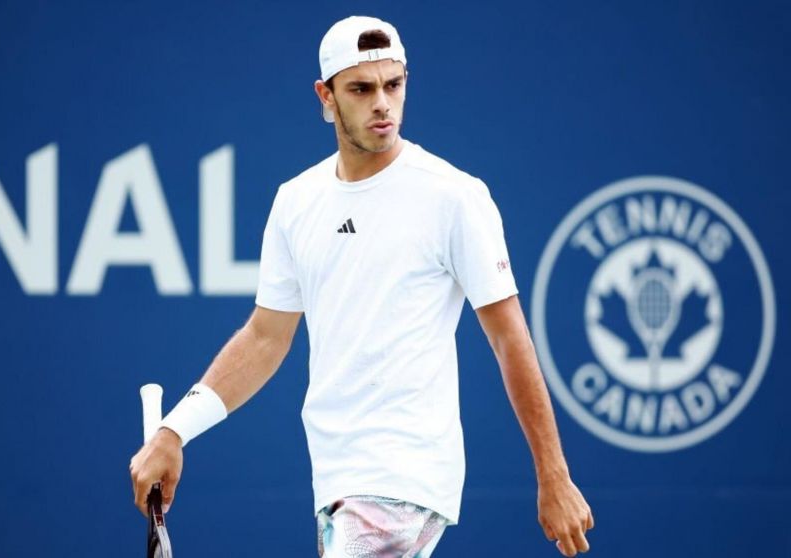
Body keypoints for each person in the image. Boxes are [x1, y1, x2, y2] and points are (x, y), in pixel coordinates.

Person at [130, 15, 595, 557]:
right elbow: (264, 338)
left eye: (393, 85)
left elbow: (509, 337)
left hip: (403, 478)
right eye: (362, 89)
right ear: (326, 98)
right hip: (337, 480)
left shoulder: (454, 197)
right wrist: (174, 431)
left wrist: (553, 474)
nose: (383, 104)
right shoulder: (296, 201)